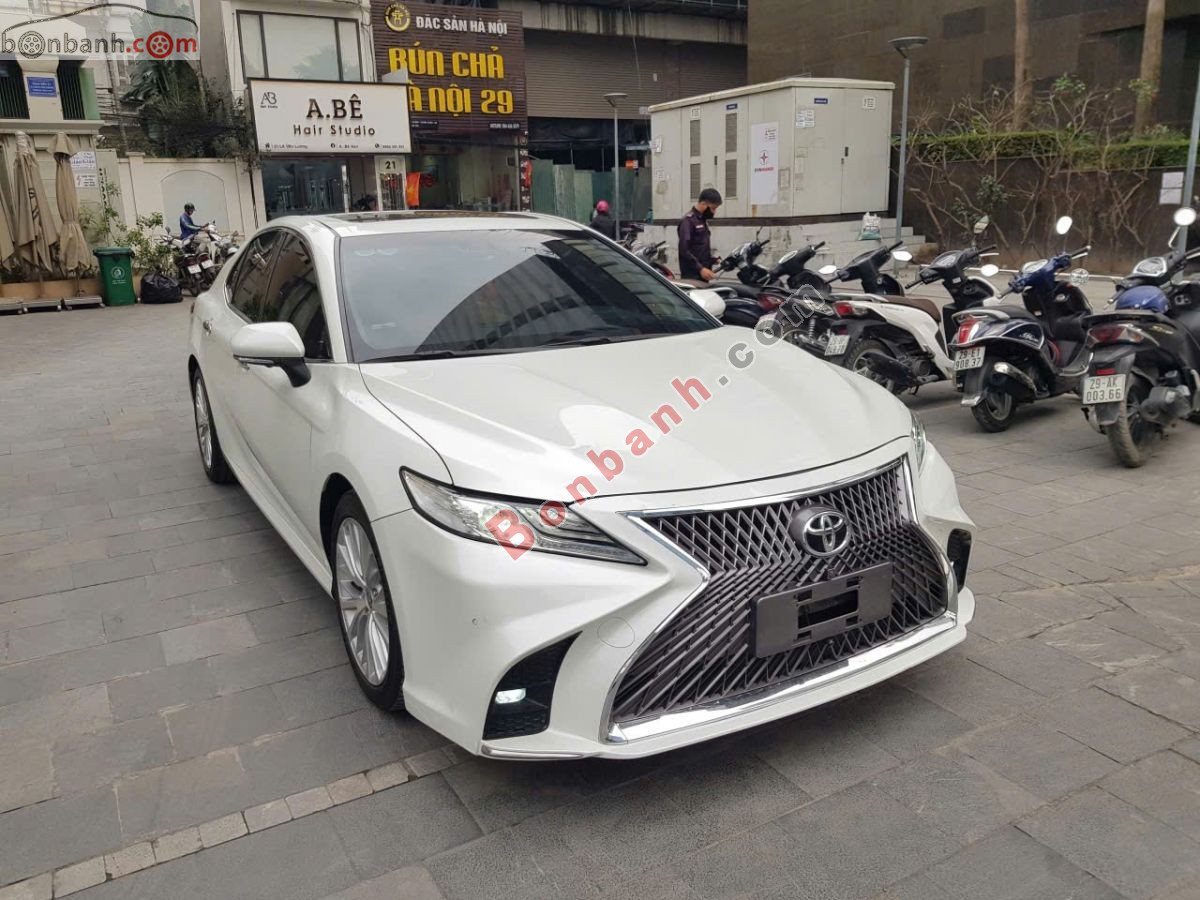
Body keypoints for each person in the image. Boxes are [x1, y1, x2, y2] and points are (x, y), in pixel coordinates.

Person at [677, 188, 722, 281]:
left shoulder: (702, 220)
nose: (714, 212)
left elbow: (699, 250)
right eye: (713, 208)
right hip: (692, 276)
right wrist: (700, 268)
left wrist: (713, 260)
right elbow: (684, 250)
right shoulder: (688, 221)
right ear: (703, 204)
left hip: (703, 274)